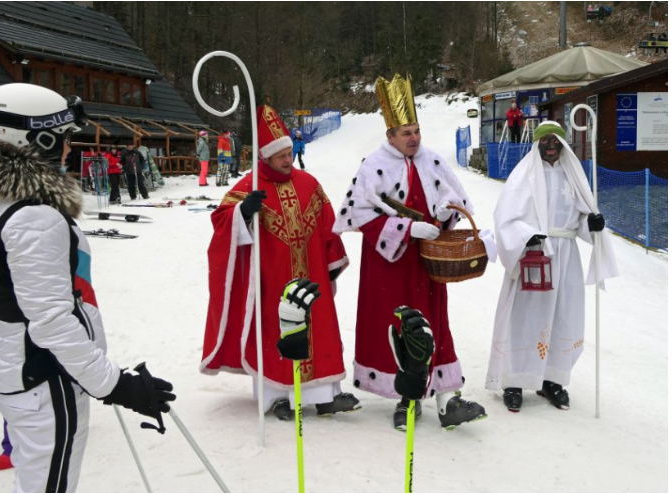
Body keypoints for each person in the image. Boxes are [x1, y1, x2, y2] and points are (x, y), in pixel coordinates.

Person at [0, 83, 176, 492]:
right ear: (37, 138)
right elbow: (51, 321)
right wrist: (115, 385)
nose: (68, 148)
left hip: (17, 363)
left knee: (38, 478)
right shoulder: (33, 216)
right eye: (64, 137)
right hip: (45, 374)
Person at [333, 74, 488, 431]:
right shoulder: (373, 167)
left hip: (428, 264)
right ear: (390, 135)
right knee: (402, 330)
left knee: (436, 323)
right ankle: (408, 398)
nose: (413, 138)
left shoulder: (432, 161)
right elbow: (358, 215)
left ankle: (448, 398)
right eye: (405, 132)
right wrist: (405, 229)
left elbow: (456, 202)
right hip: (392, 267)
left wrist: (446, 215)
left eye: (416, 130)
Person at [201, 105, 358, 421]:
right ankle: (280, 397)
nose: (288, 159)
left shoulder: (309, 182)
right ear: (266, 158)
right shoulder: (249, 185)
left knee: (320, 331)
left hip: (312, 274)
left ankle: (326, 395)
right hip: (272, 279)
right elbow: (220, 220)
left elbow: (328, 224)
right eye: (281, 155)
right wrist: (243, 212)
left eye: (290, 153)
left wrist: (331, 263)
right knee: (277, 333)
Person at [486, 121, 618, 412]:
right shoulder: (524, 175)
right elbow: (505, 218)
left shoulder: (573, 176)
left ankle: (552, 379)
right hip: (533, 256)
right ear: (536, 144)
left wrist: (591, 224)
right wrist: (526, 236)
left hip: (566, 256)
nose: (550, 145)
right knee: (525, 317)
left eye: (555, 141)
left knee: (562, 315)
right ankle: (514, 381)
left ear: (563, 144)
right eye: (544, 141)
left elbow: (580, 219)